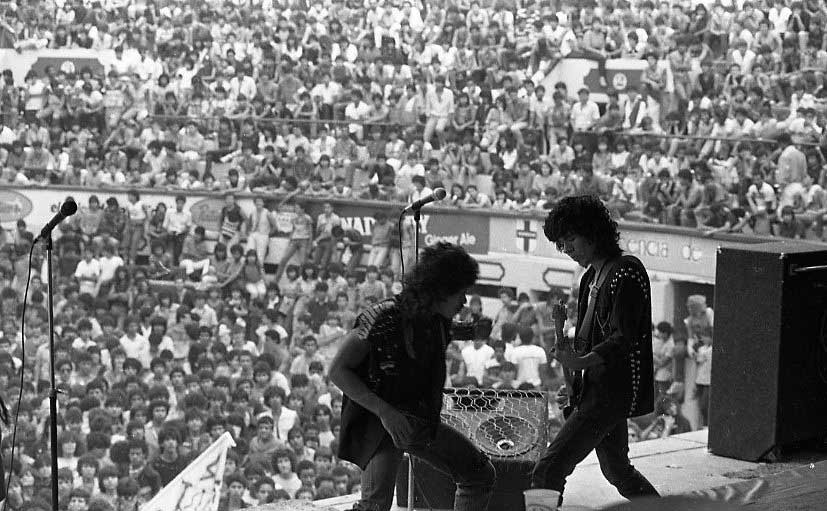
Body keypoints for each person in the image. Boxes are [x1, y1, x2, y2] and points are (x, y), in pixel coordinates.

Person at [330, 243, 496, 511]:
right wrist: (385, 412)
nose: (464, 302)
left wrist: (471, 331)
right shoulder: (380, 318)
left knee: (478, 473)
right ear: (440, 290)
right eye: (461, 294)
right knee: (375, 505)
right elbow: (338, 370)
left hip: (416, 418)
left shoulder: (434, 316)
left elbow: (432, 330)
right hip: (378, 421)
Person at [532, 195, 659, 508]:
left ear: (593, 233)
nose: (567, 250)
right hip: (594, 389)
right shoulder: (590, 276)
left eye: (570, 240)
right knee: (618, 471)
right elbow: (588, 339)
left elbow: (623, 338)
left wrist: (580, 361)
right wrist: (573, 376)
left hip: (607, 394)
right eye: (561, 244)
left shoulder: (626, 272)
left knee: (547, 471)